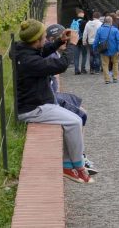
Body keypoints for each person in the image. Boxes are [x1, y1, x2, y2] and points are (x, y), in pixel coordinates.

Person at [10, 19, 94, 184]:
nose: (45, 40)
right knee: (75, 121)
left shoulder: (24, 50)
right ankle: (77, 166)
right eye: (43, 37)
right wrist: (72, 45)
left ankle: (69, 164)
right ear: (36, 40)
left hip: (36, 102)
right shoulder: (30, 61)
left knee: (74, 120)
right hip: (34, 108)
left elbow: (42, 51)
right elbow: (60, 65)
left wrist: (60, 41)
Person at [43, 24, 97, 175]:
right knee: (80, 115)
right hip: (50, 99)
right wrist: (71, 45)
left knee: (79, 106)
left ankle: (80, 154)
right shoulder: (51, 55)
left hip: (52, 95)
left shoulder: (50, 51)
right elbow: (62, 66)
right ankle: (79, 157)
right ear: (54, 39)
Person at [93, 16, 119, 84]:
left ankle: (107, 79)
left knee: (105, 64)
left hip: (104, 50)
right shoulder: (115, 30)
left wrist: (94, 48)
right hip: (115, 49)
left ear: (104, 22)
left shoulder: (100, 29)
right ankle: (115, 78)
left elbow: (96, 41)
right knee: (115, 63)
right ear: (111, 22)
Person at [68, 8, 89, 75]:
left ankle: (76, 70)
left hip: (75, 40)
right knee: (84, 55)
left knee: (76, 56)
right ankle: (83, 69)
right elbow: (86, 32)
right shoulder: (84, 22)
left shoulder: (73, 21)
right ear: (82, 14)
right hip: (82, 40)